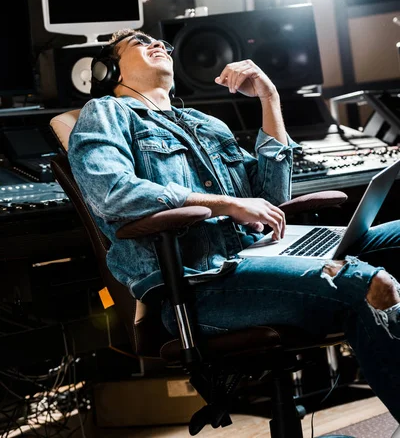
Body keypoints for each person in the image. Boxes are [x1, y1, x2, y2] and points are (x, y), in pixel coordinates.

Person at [69, 28, 400, 430]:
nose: (158, 44)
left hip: (258, 256)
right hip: (198, 287)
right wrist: (223, 204)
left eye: (162, 43)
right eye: (139, 42)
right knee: (366, 283)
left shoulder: (205, 123)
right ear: (108, 69)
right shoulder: (106, 113)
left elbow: (270, 198)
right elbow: (112, 191)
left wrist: (269, 99)